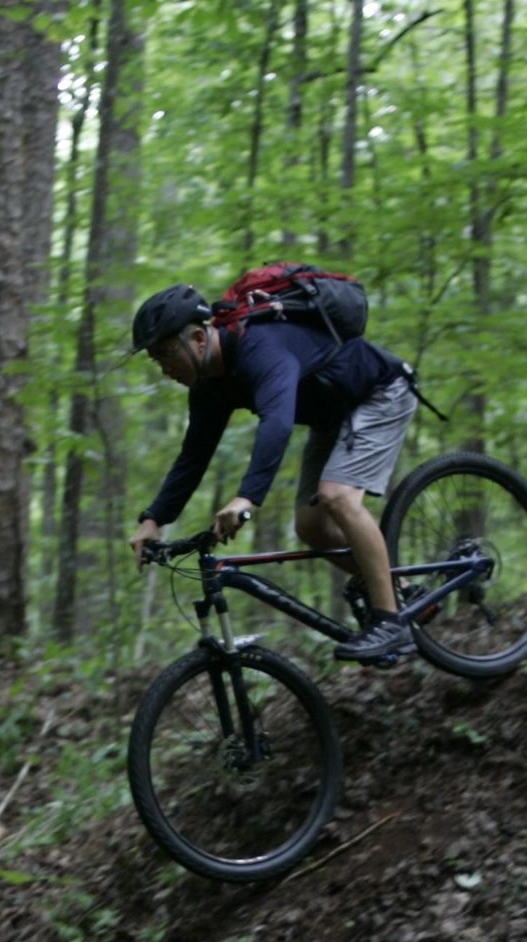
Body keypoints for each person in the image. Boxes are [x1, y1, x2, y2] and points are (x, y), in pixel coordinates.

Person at [124, 282, 421, 664]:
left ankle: (390, 622)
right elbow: (193, 455)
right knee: (311, 528)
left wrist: (247, 497)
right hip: (332, 417)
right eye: (156, 360)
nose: (165, 369)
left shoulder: (259, 347)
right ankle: (404, 589)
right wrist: (154, 519)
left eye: (166, 355)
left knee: (338, 497)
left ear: (198, 338)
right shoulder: (208, 386)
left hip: (380, 392)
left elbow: (277, 422)